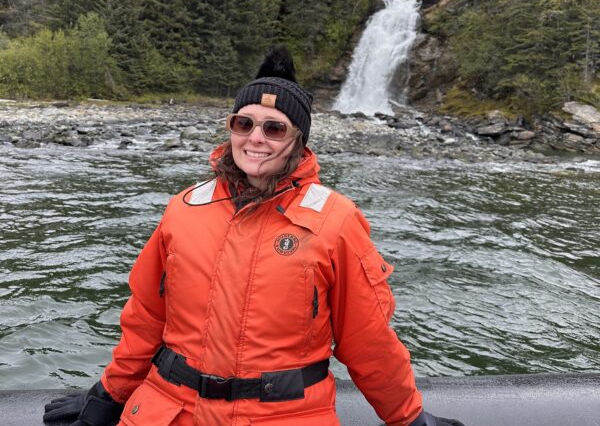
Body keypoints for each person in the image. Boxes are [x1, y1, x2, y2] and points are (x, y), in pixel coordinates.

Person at [43, 47, 465, 426]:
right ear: (230, 129)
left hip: (285, 415)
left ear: (300, 140)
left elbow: (367, 340)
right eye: (244, 123)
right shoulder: (183, 209)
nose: (256, 138)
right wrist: (107, 396)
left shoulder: (337, 220)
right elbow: (145, 321)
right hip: (169, 410)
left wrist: (409, 418)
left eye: (275, 128)